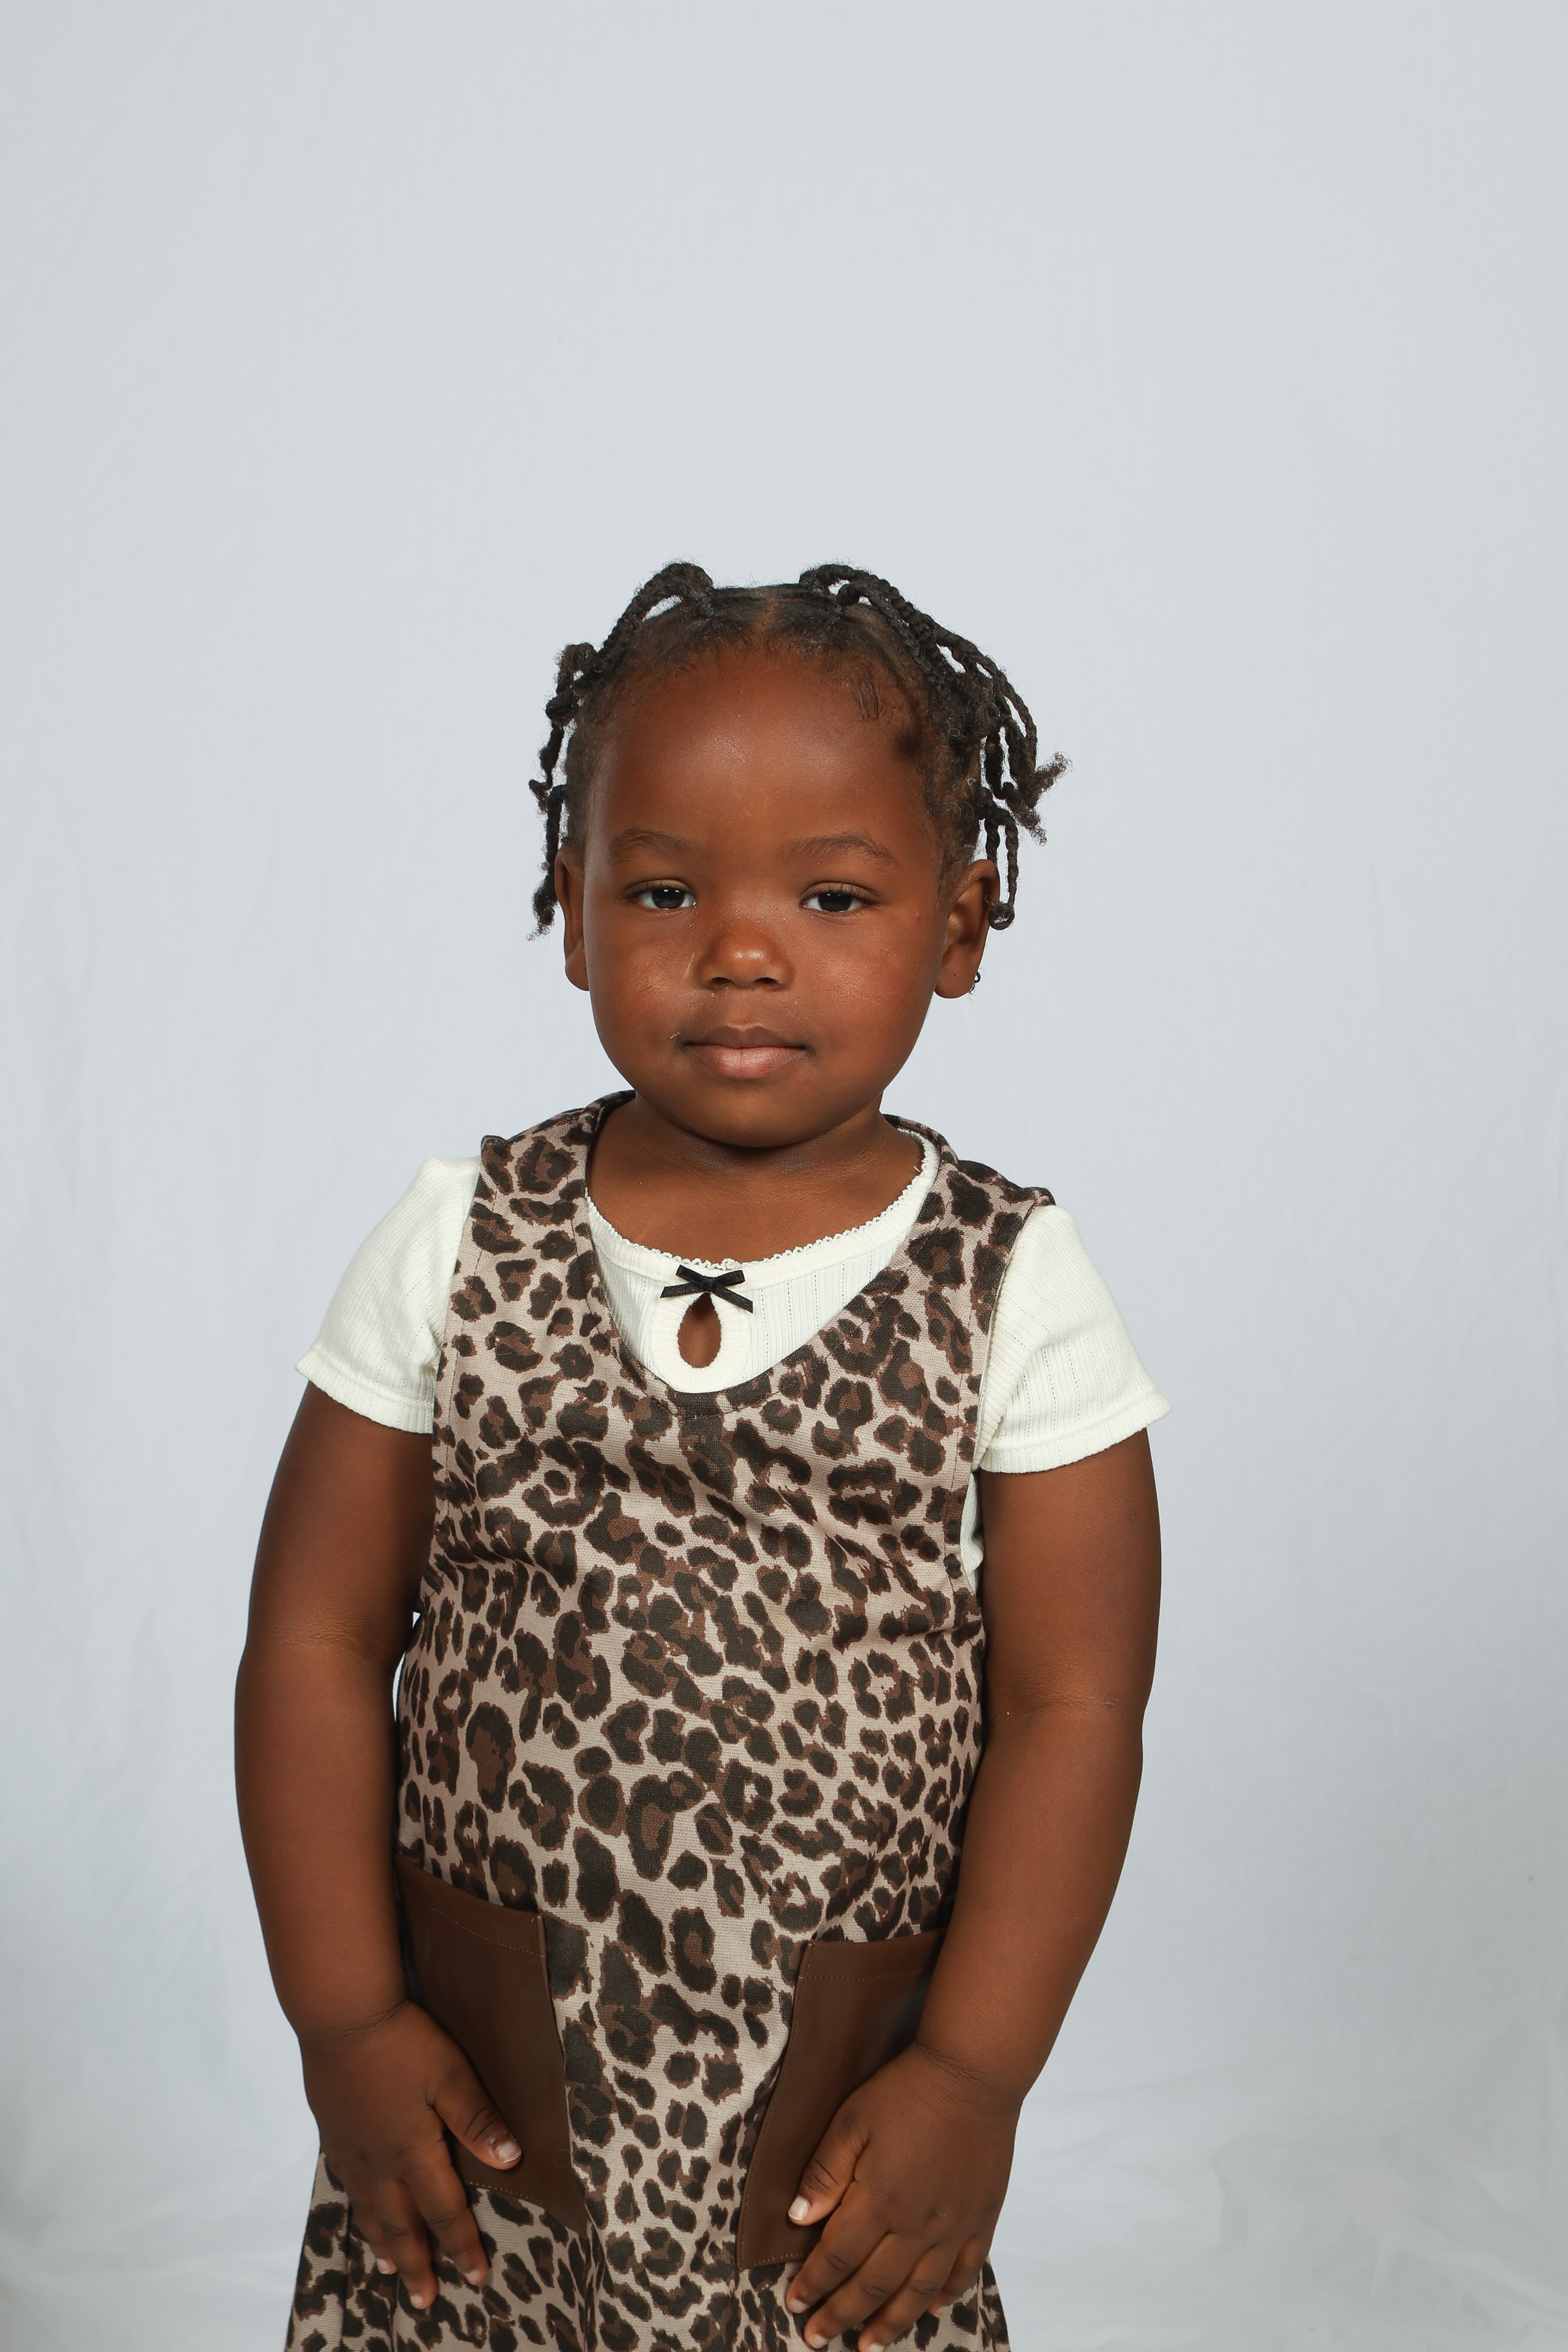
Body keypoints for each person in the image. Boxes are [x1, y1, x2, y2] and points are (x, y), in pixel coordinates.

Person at [237, 562, 1168, 2352]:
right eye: (664, 889)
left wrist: (972, 2076)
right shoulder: (464, 1236)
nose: (742, 949)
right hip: (487, 2105)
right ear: (573, 912)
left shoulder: (1009, 1281)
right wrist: (345, 2022)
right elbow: (316, 1639)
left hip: (824, 2126)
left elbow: (1074, 1706)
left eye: (833, 894)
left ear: (960, 925)